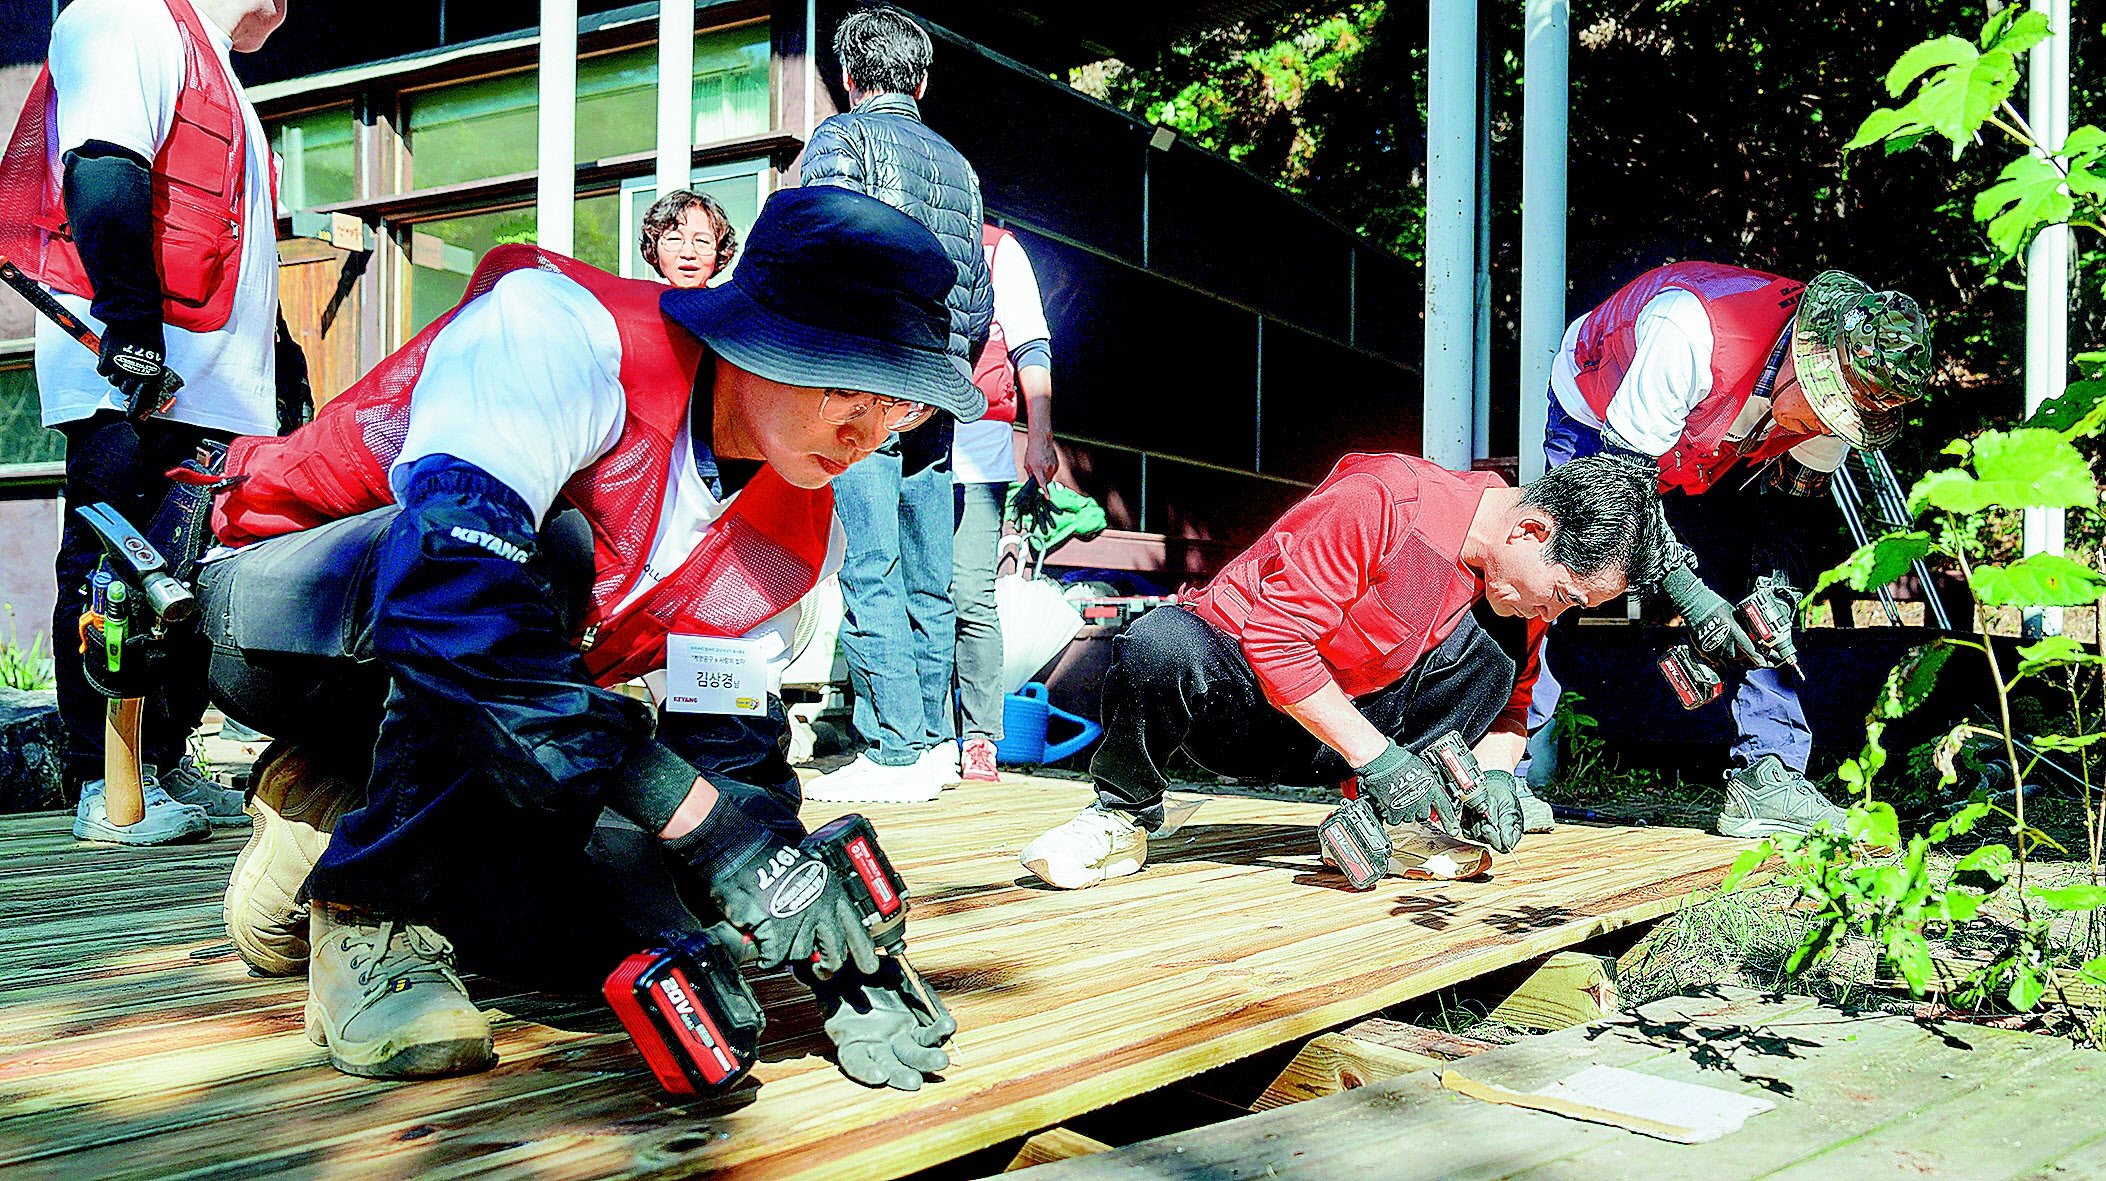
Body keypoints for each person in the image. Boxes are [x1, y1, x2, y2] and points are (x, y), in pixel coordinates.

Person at [201, 186, 970, 1089]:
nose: (866, 431)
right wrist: (707, 828)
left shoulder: (798, 525)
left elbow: (727, 743)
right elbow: (448, 598)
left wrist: (796, 913)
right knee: (541, 561)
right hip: (280, 613)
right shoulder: (562, 334)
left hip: (478, 694)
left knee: (616, 917)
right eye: (844, 383)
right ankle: (365, 906)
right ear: (757, 335)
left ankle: (327, 806)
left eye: (900, 405)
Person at [1018, 452, 1668, 890]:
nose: (1554, 612)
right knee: (1159, 641)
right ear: (1530, 529)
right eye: (1564, 594)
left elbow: (1508, 708)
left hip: (1347, 738)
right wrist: (1383, 760)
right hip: (1242, 706)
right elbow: (1277, 642)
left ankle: (1393, 826)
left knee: (1497, 658)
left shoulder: (1507, 588)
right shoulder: (1389, 501)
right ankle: (1119, 818)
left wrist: (1494, 780)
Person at [0, 0, 288, 843]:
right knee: (113, 569)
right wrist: (128, 324)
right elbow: (101, 162)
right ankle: (107, 780)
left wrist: (280, 362)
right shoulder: (123, 14)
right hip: (134, 371)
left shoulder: (218, 66)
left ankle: (159, 758)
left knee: (185, 579)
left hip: (205, 378)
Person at [1524, 263, 1932, 839]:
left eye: (1837, 419)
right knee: (1561, 576)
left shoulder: (1841, 397)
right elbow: (1620, 495)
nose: (1822, 426)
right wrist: (1691, 596)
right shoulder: (1689, 332)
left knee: (1761, 603)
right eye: (1822, 407)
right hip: (1601, 415)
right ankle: (1499, 766)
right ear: (1804, 356)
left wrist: (1775, 591)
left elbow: (1793, 519)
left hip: (1712, 445)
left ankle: (1769, 774)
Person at [799, 4, 995, 805]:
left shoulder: (839, 141)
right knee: (929, 575)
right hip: (933, 389)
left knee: (871, 566)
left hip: (861, 380)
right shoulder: (960, 165)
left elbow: (820, 258)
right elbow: (977, 298)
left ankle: (892, 749)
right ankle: (936, 744)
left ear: (848, 78)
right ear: (920, 78)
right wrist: (944, 371)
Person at [950, 223, 1058, 782]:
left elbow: (1031, 344)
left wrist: (1039, 438)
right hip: (892, 445)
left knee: (971, 595)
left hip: (977, 450)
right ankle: (919, 736)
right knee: (904, 595)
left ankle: (979, 736)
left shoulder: (998, 248)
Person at [639, 188, 739, 289]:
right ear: (654, 249)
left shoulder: (735, 304)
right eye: (675, 239)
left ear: (720, 251)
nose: (688, 254)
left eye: (702, 241)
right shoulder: (635, 303)